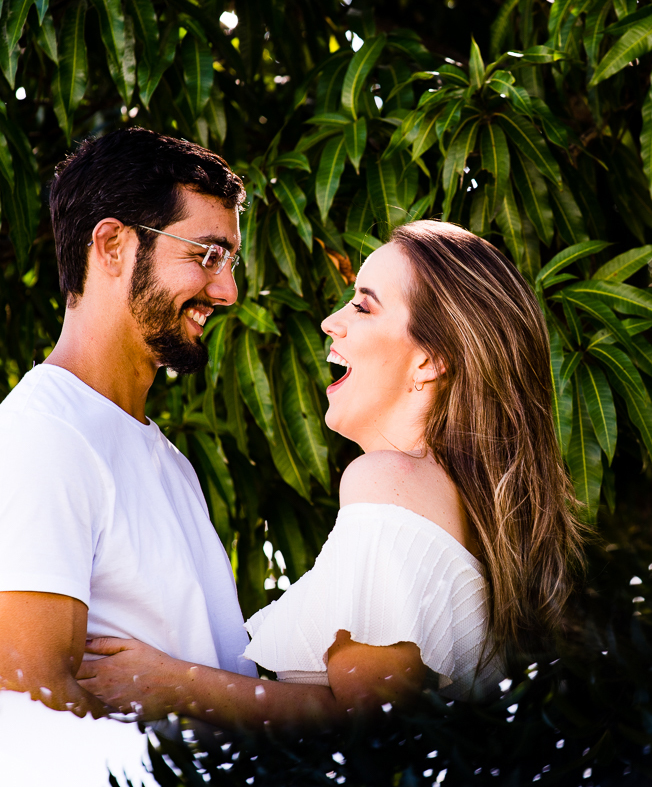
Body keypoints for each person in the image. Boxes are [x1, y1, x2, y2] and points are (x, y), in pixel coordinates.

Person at [78, 220, 586, 729]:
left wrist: (173, 685)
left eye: (363, 307)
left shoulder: (387, 482)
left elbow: (371, 729)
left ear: (431, 361)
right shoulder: (464, 505)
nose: (329, 321)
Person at [0, 128, 257, 719]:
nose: (228, 290)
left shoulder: (166, 458)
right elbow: (32, 715)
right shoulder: (39, 442)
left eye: (230, 261)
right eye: (207, 255)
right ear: (113, 245)